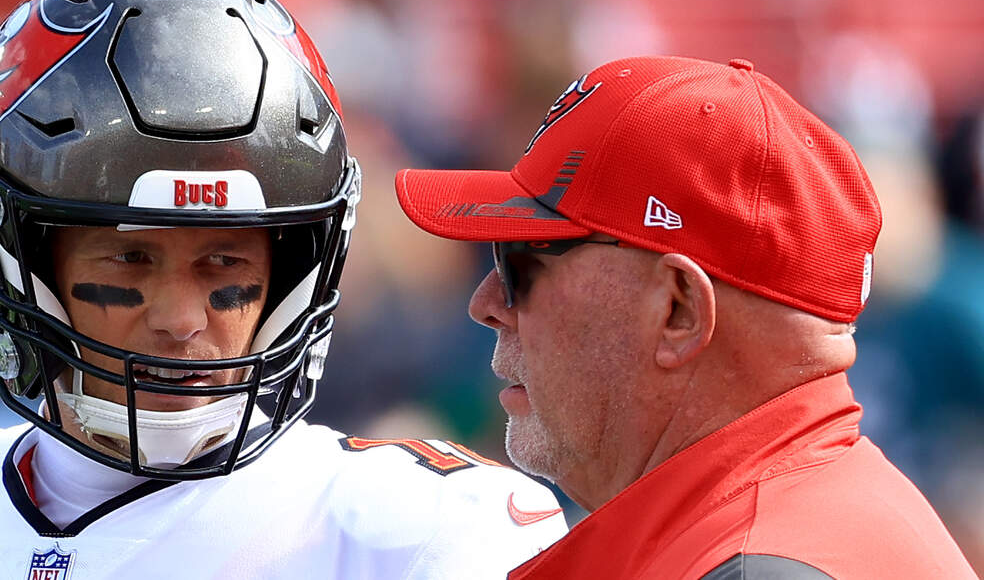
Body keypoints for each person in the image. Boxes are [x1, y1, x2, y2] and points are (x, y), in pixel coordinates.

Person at [0, 0, 566, 579]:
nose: (182, 318)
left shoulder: (421, 536)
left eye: (223, 262)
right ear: (24, 257)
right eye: (131, 257)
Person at [394, 55, 977, 579]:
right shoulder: (793, 518)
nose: (486, 304)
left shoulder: (756, 564)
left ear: (679, 310)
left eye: (521, 262)